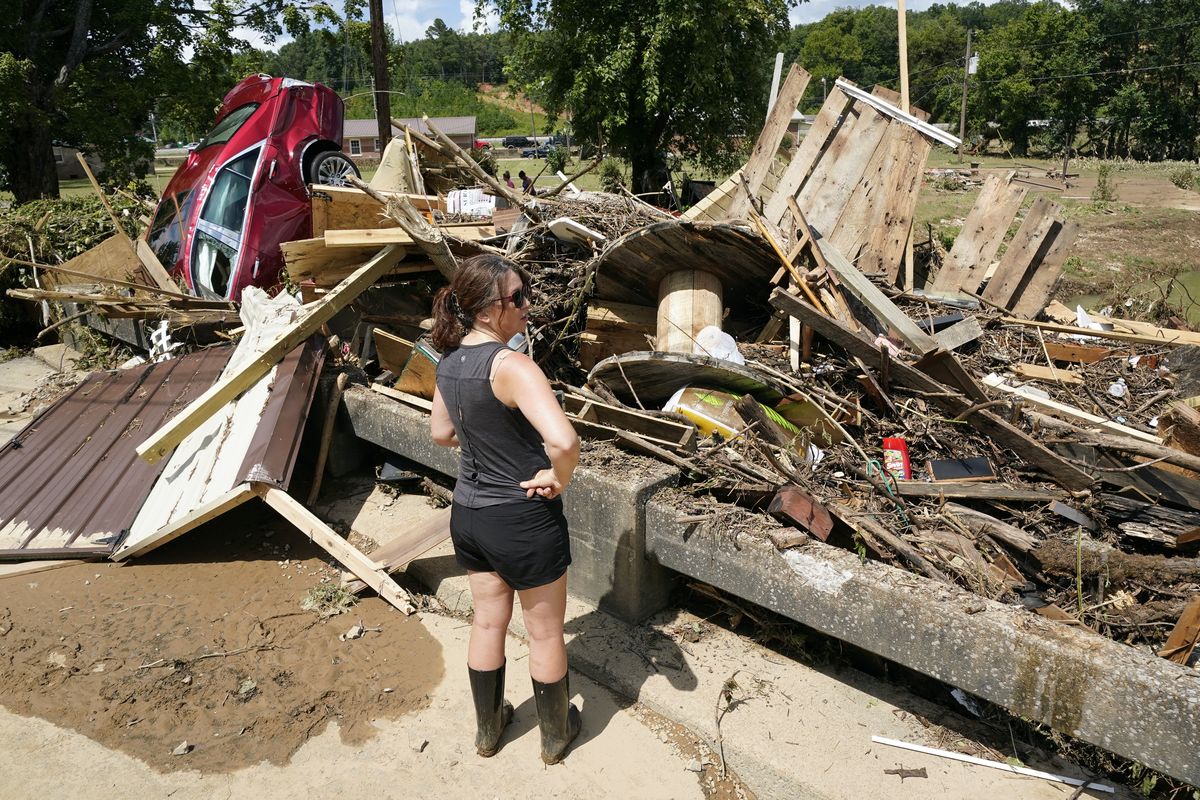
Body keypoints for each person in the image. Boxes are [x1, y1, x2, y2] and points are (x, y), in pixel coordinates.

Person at [429, 254, 582, 764]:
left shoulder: (448, 363)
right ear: (488, 310)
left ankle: (489, 732)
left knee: (488, 623)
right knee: (543, 632)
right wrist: (557, 479)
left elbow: (441, 433)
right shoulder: (513, 366)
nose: (526, 305)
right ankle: (556, 737)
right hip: (520, 515)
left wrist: (485, 440)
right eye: (517, 297)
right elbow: (563, 439)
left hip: (469, 514)